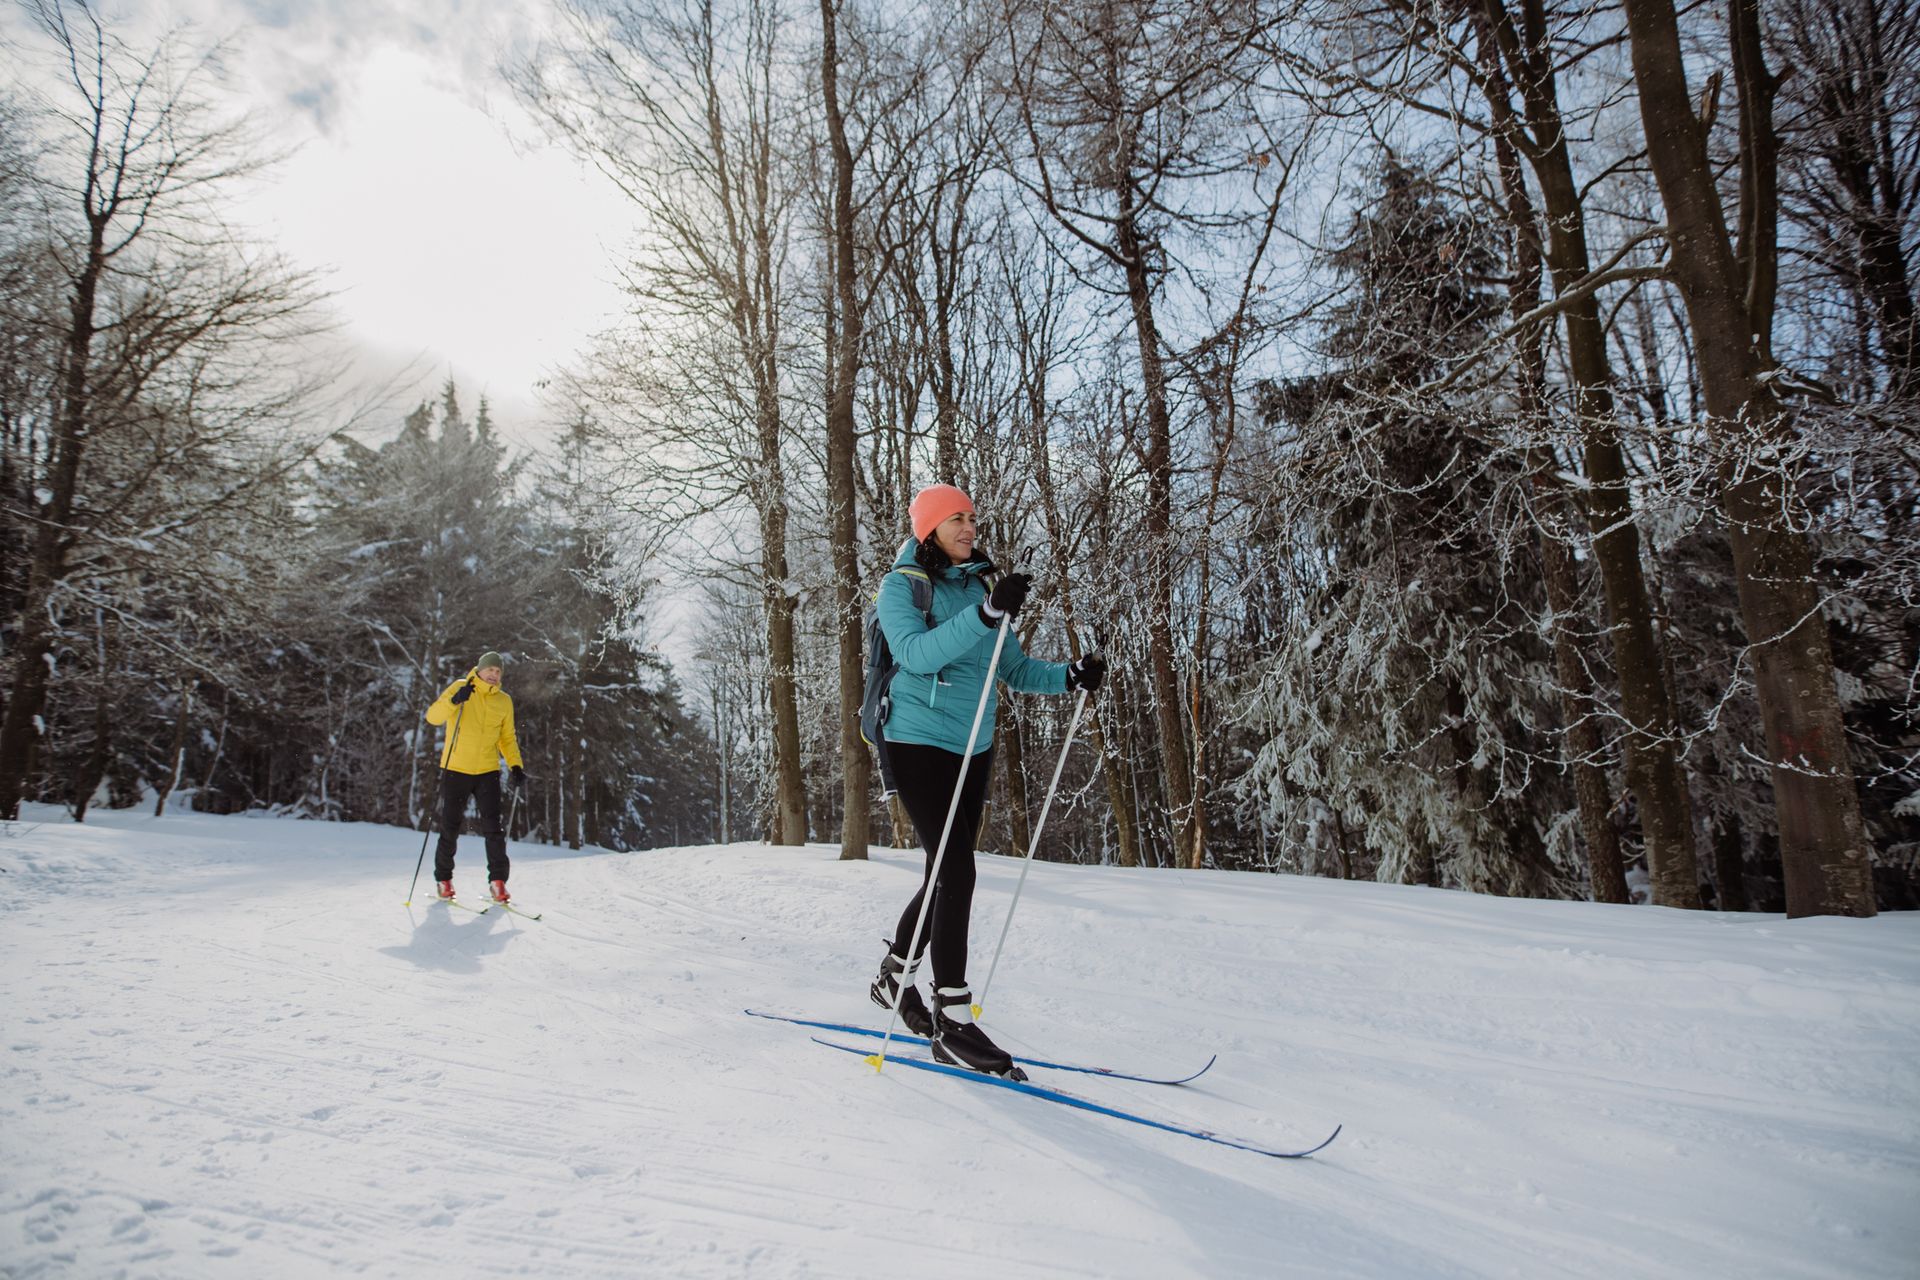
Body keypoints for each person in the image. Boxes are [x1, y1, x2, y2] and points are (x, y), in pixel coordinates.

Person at [868, 484, 1105, 1077]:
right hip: (916, 741)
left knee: (943, 871)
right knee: (956, 870)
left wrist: (1070, 676)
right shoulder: (901, 587)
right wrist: (985, 615)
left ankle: (894, 975)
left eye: (972, 517)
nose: (970, 526)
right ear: (929, 527)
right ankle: (953, 1022)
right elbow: (916, 654)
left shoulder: (978, 585)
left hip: (972, 745)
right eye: (957, 518)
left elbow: (1015, 669)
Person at [424, 651, 527, 903]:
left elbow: (507, 738)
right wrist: (454, 701)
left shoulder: (504, 701)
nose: (494, 674)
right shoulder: (461, 688)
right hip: (456, 768)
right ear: (479, 670)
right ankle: (444, 880)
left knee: (494, 828)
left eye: (498, 671)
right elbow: (433, 717)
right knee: (451, 826)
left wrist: (515, 765)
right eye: (490, 670)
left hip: (487, 771)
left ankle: (498, 883)